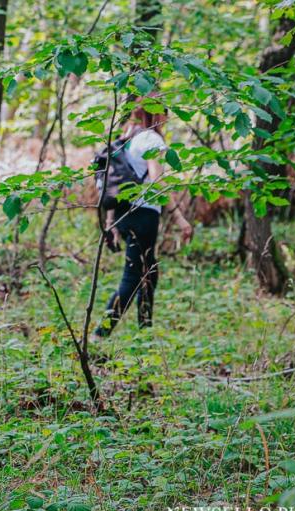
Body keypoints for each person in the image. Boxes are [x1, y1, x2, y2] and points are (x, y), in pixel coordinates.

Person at [93, 99, 193, 339]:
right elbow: (157, 183)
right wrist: (180, 219)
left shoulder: (127, 140)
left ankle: (145, 332)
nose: (167, 118)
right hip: (143, 214)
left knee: (150, 270)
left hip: (124, 213)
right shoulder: (152, 141)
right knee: (133, 274)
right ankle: (100, 334)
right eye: (164, 113)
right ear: (156, 116)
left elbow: (114, 186)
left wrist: (110, 223)